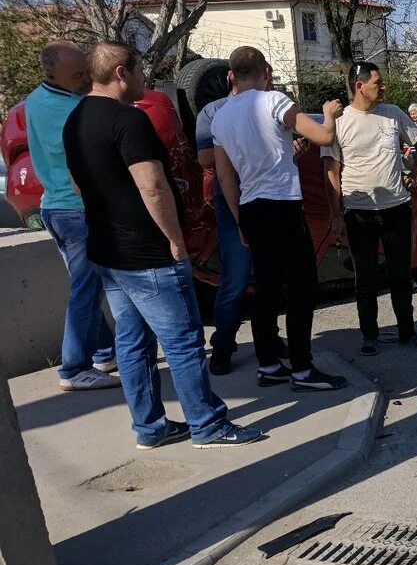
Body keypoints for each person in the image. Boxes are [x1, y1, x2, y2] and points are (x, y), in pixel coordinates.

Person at [62, 42, 261, 449]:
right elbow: (152, 187)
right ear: (120, 73)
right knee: (184, 341)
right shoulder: (128, 121)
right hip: (148, 255)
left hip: (108, 252)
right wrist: (174, 242)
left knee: (132, 344)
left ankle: (150, 428)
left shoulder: (75, 119)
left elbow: (77, 184)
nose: (144, 78)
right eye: (138, 70)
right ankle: (207, 425)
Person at [211, 46, 347, 391]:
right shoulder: (273, 100)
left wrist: (239, 219)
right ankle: (302, 370)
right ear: (266, 72)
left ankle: (269, 364)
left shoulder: (220, 117)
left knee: (267, 289)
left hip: (251, 207)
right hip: (283, 205)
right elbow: (323, 136)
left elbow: (225, 177)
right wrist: (329, 113)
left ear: (231, 75)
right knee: (302, 288)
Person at [23, 41, 120, 392]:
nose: (84, 80)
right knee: (87, 289)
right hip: (76, 209)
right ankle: (74, 367)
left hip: (54, 207)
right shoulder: (72, 108)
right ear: (52, 74)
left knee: (86, 286)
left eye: (85, 72)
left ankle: (105, 353)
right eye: (77, 75)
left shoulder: (33, 101)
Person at [323, 62, 417, 357]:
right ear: (360, 86)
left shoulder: (394, 114)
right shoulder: (340, 121)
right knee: (366, 278)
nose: (382, 87)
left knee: (400, 274)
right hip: (358, 211)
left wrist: (416, 174)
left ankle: (407, 331)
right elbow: (331, 171)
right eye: (377, 82)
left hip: (396, 207)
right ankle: (369, 335)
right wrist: (335, 214)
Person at [195, 74, 253, 375]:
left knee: (269, 276)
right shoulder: (213, 111)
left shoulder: (273, 105)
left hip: (269, 200)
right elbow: (205, 158)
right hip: (233, 204)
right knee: (236, 277)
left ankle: (267, 340)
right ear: (232, 76)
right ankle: (223, 345)